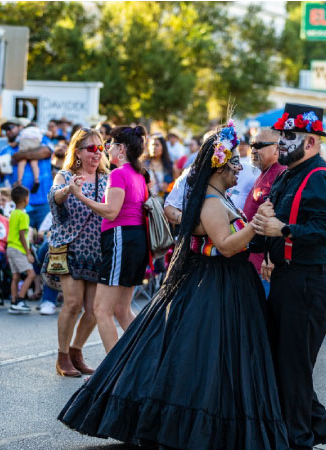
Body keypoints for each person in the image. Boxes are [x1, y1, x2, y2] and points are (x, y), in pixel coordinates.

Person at [59, 121, 290, 449]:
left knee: (210, 358)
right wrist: (255, 225)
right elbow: (225, 245)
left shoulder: (218, 198)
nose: (240, 168)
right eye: (234, 162)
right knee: (203, 357)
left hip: (227, 285)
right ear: (218, 167)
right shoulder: (212, 202)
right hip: (216, 286)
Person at [252, 103, 326, 448]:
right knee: (286, 362)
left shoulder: (321, 178)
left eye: (288, 137)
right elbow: (270, 224)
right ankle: (319, 427)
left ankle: (298, 439)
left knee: (293, 364)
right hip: (289, 279)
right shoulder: (288, 175)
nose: (281, 144)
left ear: (310, 141)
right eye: (280, 136)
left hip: (311, 282)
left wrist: (285, 230)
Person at [70, 126, 149, 352]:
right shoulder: (138, 174)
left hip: (120, 239)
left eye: (110, 145)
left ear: (121, 149)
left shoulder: (119, 173)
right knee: (122, 310)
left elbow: (111, 211)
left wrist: (80, 196)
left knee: (101, 309)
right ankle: (144, 357)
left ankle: (113, 371)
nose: (106, 149)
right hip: (134, 240)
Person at [46, 128, 109, 377]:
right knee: (72, 304)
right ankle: (62, 357)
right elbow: (54, 199)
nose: (96, 153)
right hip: (71, 247)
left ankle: (76, 352)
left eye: (100, 148)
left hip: (98, 250)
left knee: (94, 310)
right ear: (78, 152)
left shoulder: (108, 177)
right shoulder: (65, 175)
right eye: (91, 148)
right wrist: (68, 190)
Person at [242, 128, 284, 295]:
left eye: (259, 145)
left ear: (276, 148)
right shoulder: (265, 172)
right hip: (253, 262)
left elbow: (278, 219)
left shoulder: (280, 174)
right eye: (252, 144)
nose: (253, 149)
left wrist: (270, 257)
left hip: (265, 267)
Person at [0, 119, 54, 229]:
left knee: (45, 238)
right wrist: (8, 164)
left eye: (10, 128)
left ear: (21, 127)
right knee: (21, 240)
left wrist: (21, 155)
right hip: (18, 204)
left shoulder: (42, 139)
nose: (7, 132)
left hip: (44, 202)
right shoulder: (7, 149)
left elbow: (46, 152)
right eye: (4, 130)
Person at [5, 185, 36, 314]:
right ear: (25, 199)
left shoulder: (13, 213)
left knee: (16, 276)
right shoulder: (23, 215)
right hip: (18, 249)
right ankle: (20, 300)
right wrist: (28, 253)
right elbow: (22, 236)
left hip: (10, 248)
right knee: (31, 274)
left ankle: (13, 302)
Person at [229, 137, 261, 211]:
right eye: (240, 145)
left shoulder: (252, 167)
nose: (241, 147)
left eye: (244, 144)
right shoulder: (237, 167)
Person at [15, 125, 44, 193]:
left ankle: (19, 181)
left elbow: (17, 140)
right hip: (35, 141)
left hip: (24, 141)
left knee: (21, 162)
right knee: (34, 163)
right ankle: (36, 179)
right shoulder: (38, 130)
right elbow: (46, 134)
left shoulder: (24, 131)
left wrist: (14, 144)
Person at [146, 134, 173, 200]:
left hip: (164, 202)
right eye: (152, 145)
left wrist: (169, 187)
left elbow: (177, 187)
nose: (154, 147)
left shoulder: (170, 167)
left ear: (163, 147)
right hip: (147, 201)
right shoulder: (143, 164)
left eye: (157, 145)